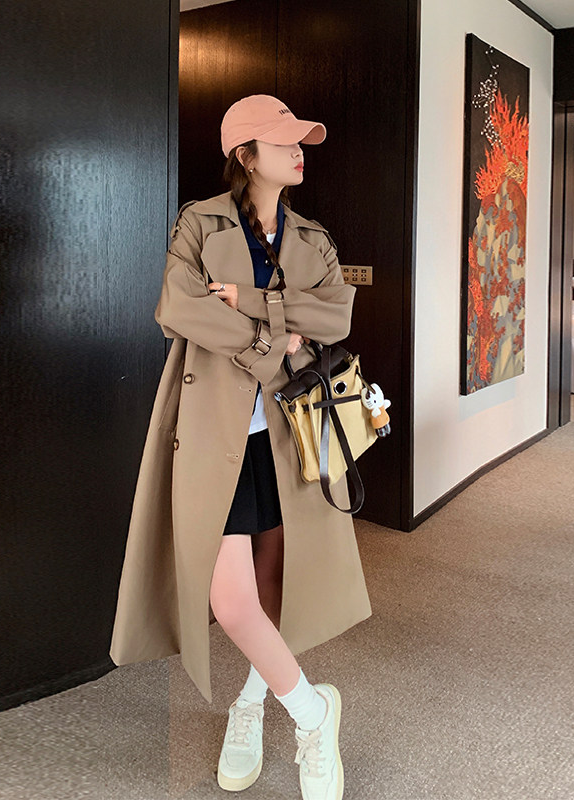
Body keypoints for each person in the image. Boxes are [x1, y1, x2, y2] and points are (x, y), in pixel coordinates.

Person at [109, 94, 372, 800]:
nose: (299, 151)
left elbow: (335, 316)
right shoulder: (201, 222)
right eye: (284, 142)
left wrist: (253, 303)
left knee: (274, 585)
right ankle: (313, 713)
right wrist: (270, 342)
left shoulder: (313, 237)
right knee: (230, 599)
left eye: (301, 141)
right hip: (215, 428)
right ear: (245, 155)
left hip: (289, 431)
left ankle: (250, 706)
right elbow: (178, 308)